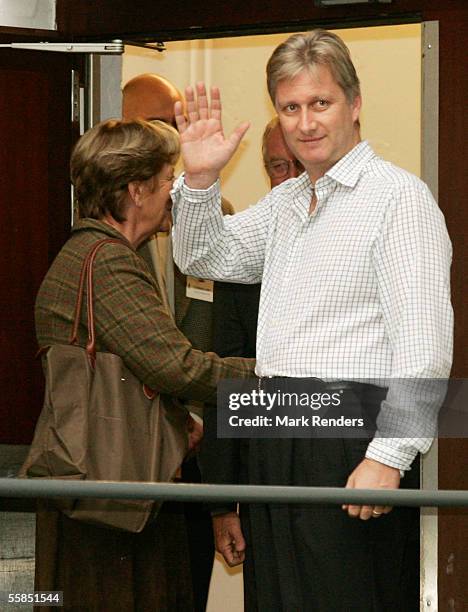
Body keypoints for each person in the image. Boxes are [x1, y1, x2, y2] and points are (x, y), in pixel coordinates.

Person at [171, 29, 453, 611]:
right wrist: (198, 182)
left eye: (319, 103)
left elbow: (425, 348)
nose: (305, 123)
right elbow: (202, 256)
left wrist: (389, 456)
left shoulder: (400, 199)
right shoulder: (287, 201)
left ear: (354, 103)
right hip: (276, 429)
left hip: (351, 437)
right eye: (290, 107)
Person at [34, 118, 254, 611]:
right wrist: (277, 372)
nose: (173, 191)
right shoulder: (106, 261)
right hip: (110, 500)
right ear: (136, 190)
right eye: (167, 178)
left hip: (100, 492)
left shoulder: (90, 253)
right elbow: (176, 367)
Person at [122, 72, 231, 611]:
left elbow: (221, 331)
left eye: (171, 124)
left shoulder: (216, 218)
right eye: (151, 126)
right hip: (127, 451)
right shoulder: (102, 239)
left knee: (188, 593)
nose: (166, 138)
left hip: (200, 450)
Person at [212, 116, 304, 359]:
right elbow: (228, 369)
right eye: (279, 167)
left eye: (302, 164)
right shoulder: (243, 250)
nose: (293, 178)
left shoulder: (360, 235)